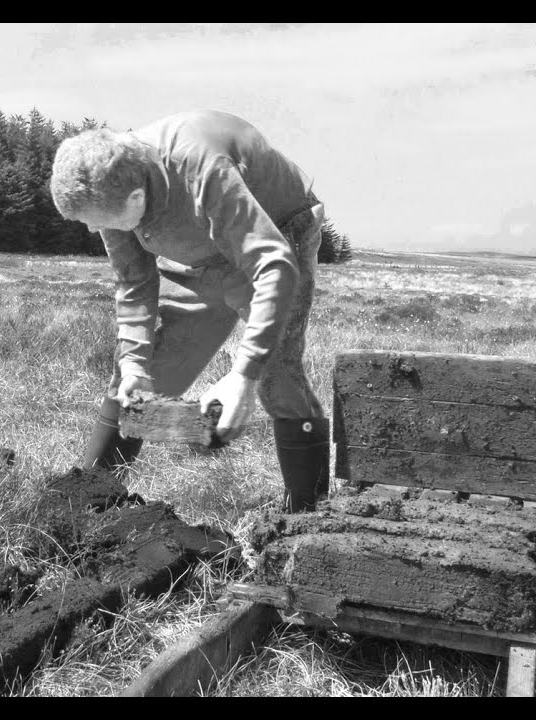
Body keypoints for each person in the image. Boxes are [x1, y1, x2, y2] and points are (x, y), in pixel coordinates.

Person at [49, 109, 329, 512]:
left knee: (274, 374)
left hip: (275, 233)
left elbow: (273, 265)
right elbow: (135, 283)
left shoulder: (200, 167)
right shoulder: (111, 191)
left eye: (99, 222)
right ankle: (90, 503)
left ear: (136, 198)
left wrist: (242, 374)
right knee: (147, 375)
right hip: (197, 254)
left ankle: (310, 515)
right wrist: (132, 368)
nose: (93, 231)